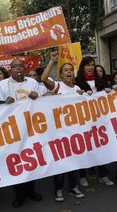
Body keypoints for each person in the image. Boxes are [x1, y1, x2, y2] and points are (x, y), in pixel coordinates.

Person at [0, 58, 46, 208]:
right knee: (17, 160)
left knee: (32, 157)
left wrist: (38, 97)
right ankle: (19, 193)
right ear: (10, 69)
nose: (18, 69)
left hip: (31, 126)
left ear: (24, 68)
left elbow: (44, 102)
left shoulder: (32, 83)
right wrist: (5, 103)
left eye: (20, 66)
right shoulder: (2, 84)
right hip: (13, 128)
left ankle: (31, 190)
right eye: (15, 66)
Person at [41, 51, 85, 202]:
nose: (69, 72)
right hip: (58, 132)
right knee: (59, 162)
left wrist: (84, 95)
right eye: (66, 70)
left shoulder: (78, 88)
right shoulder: (57, 86)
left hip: (73, 131)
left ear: (74, 73)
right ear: (60, 74)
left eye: (71, 70)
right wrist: (52, 61)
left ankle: (73, 186)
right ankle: (58, 189)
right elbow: (43, 78)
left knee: (73, 162)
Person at [75, 56, 114, 187]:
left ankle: (103, 174)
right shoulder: (77, 82)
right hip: (84, 121)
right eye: (87, 65)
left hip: (99, 121)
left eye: (92, 65)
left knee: (100, 147)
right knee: (84, 148)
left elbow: (107, 98)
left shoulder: (99, 81)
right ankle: (82, 175)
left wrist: (108, 92)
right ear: (82, 67)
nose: (90, 67)